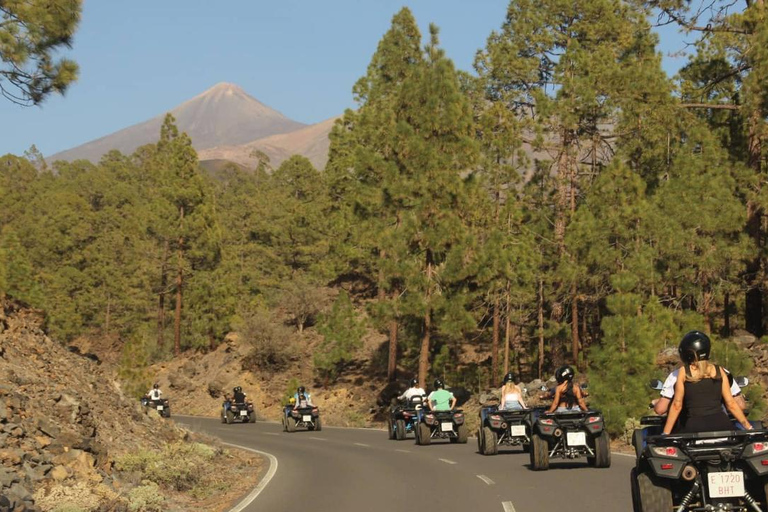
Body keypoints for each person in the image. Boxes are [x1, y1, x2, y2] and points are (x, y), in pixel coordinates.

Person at [663, 331, 752, 434]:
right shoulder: (719, 371)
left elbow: (677, 406)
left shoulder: (684, 372)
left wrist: (665, 433)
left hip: (694, 426)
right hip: (721, 424)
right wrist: (749, 427)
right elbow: (731, 404)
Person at [653, 366, 746, 415]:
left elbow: (660, 409)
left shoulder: (676, 375)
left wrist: (657, 402)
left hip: (687, 429)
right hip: (722, 427)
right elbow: (740, 406)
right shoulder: (722, 371)